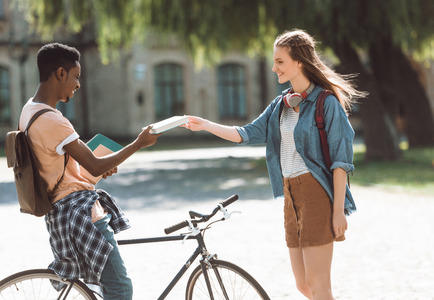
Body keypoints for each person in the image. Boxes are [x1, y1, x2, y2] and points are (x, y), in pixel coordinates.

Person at [183, 29, 365, 299]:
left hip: (316, 194)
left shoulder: (326, 103)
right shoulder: (280, 104)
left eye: (280, 61)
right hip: (290, 196)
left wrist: (338, 211)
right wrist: (206, 125)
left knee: (319, 286)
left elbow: (341, 162)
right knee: (303, 286)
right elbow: (244, 134)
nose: (273, 67)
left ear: (299, 62)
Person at [19, 42, 159, 299]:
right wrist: (139, 143)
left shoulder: (30, 111)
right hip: (81, 213)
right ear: (60, 73)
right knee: (120, 288)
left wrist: (96, 168)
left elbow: (59, 166)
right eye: (76, 76)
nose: (78, 84)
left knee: (106, 286)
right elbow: (94, 164)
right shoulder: (53, 120)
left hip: (61, 211)